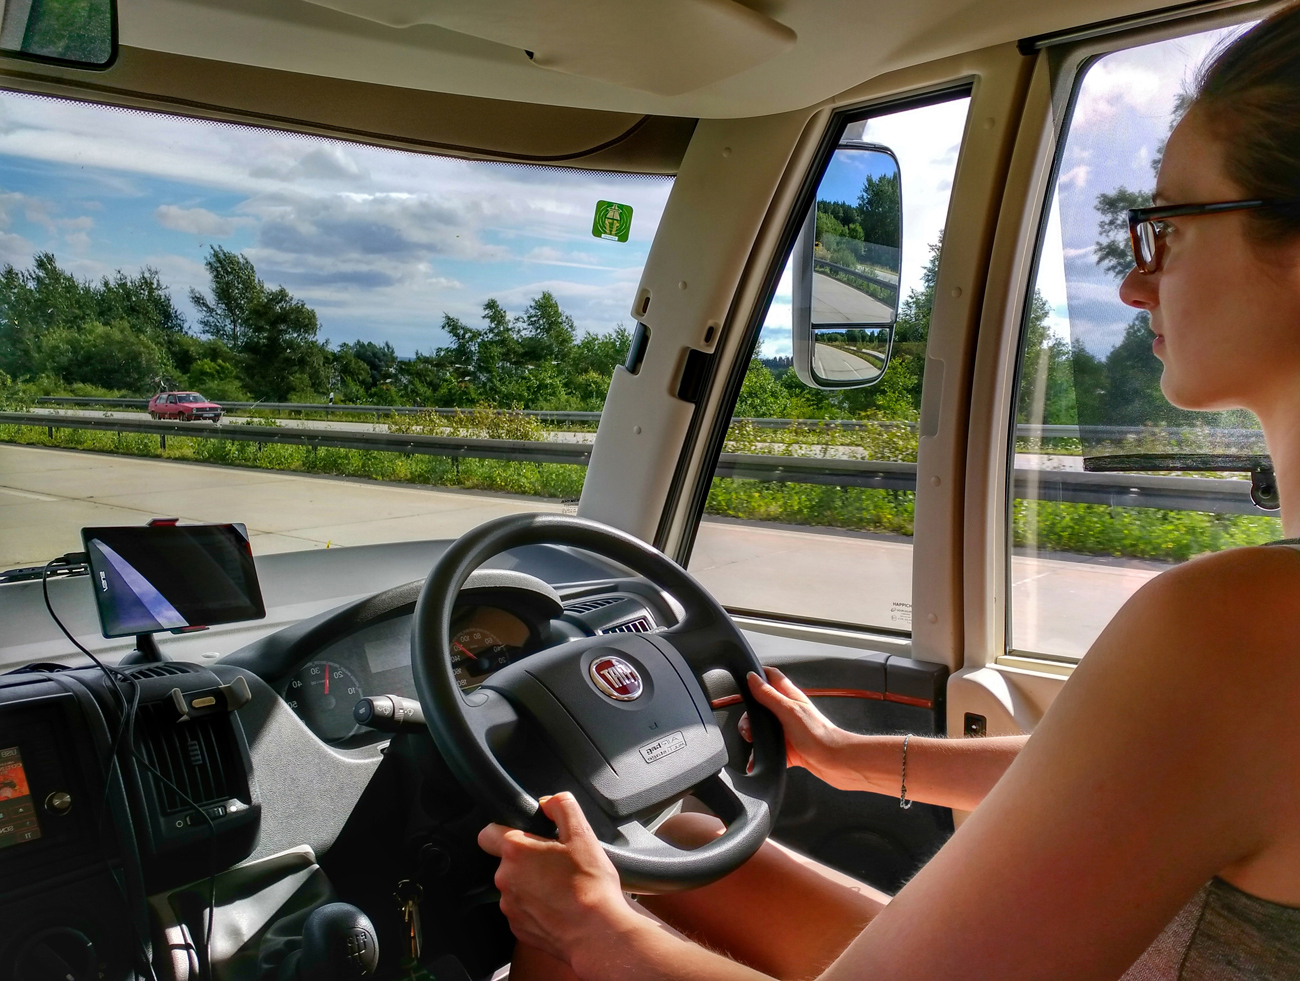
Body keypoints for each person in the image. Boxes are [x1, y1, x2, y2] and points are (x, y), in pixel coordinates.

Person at [478, 7, 1300, 978]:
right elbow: (1121, 772)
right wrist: (846, 755)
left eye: (1165, 228)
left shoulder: (1240, 629)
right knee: (691, 848)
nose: (1133, 284)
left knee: (584, 929)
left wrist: (590, 930)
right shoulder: (1242, 644)